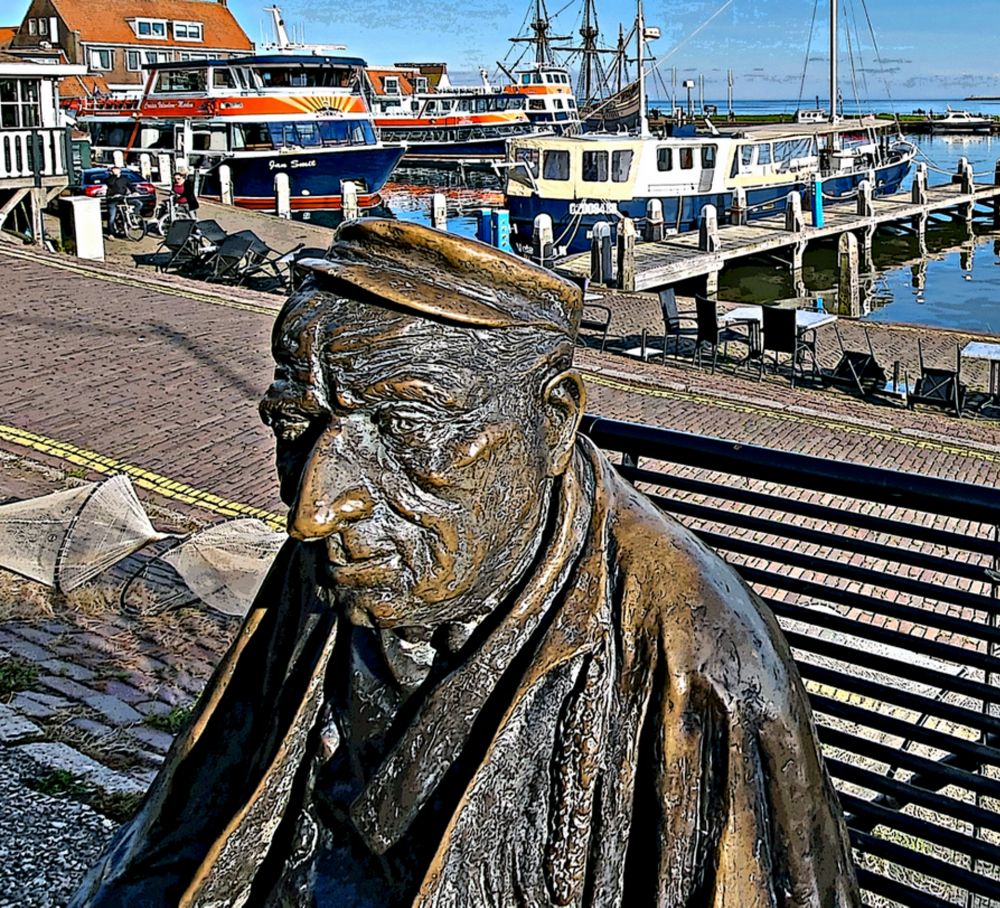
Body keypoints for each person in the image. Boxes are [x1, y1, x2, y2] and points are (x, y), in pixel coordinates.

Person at [70, 220, 861, 908]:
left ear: (552, 425)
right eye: (297, 423)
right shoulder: (340, 558)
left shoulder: (695, 654)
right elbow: (190, 827)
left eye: (405, 428)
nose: (312, 509)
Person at [103, 165, 143, 235]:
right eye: (114, 170)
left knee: (138, 203)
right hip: (112, 199)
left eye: (117, 169)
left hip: (123, 198)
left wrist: (134, 192)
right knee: (112, 216)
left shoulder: (125, 178)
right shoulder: (109, 179)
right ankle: (111, 233)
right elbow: (110, 183)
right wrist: (114, 176)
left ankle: (134, 217)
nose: (116, 171)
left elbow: (130, 186)